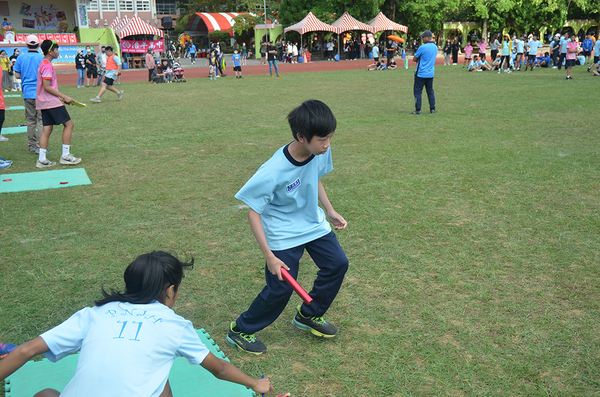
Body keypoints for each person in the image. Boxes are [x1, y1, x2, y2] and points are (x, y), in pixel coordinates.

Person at [0, 251, 275, 396]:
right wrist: (254, 384)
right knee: (159, 380)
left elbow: (24, 351)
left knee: (45, 394)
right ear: (170, 290)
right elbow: (221, 368)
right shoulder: (175, 325)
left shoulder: (94, 313)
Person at [226, 100, 348, 355]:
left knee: (337, 263)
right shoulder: (272, 170)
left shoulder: (319, 151)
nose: (327, 145)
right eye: (322, 139)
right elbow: (253, 213)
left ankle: (308, 314)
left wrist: (330, 210)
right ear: (301, 137)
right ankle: (240, 329)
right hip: (282, 233)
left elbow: (315, 179)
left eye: (330, 138)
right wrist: (270, 256)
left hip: (312, 224)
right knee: (280, 287)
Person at [34, 40, 81, 168]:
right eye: (56, 49)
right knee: (69, 124)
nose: (58, 52)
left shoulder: (43, 63)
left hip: (44, 102)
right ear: (50, 51)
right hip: (50, 102)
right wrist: (64, 96)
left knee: (47, 129)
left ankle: (42, 159)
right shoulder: (47, 65)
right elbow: (46, 86)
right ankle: (65, 156)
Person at [13, 34, 44, 154]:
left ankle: (31, 144)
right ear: (38, 45)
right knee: (41, 120)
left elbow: (17, 75)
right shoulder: (42, 58)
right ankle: (41, 146)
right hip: (40, 92)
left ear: (26, 45)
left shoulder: (21, 58)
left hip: (27, 92)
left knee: (31, 120)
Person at [411, 30, 437, 115]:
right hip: (430, 73)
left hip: (421, 73)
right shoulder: (435, 47)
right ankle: (432, 109)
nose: (422, 38)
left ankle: (418, 109)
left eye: (423, 37)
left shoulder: (422, 47)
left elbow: (414, 59)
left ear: (427, 37)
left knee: (418, 92)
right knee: (430, 91)